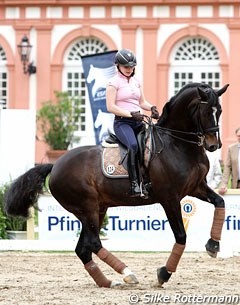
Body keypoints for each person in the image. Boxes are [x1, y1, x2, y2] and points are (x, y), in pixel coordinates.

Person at [106, 48, 160, 198]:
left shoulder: (136, 81)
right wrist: (130, 114)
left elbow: (142, 102)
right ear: (118, 66)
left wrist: (152, 108)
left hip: (138, 121)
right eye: (126, 67)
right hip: (123, 123)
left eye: (131, 66)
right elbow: (110, 107)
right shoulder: (113, 83)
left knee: (151, 146)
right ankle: (134, 183)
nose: (129, 69)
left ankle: (149, 181)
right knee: (134, 146)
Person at [218, 127, 240, 195]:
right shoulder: (231, 149)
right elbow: (227, 168)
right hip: (237, 185)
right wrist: (223, 185)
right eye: (239, 136)